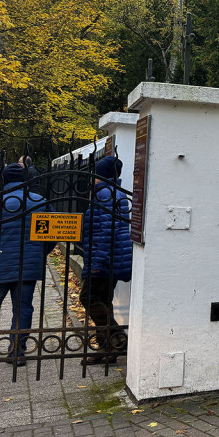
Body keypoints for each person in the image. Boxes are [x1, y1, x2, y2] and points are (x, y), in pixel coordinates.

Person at [0, 163, 55, 365]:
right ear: (26, 179)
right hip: (28, 265)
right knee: (23, 308)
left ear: (4, 179)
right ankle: (17, 351)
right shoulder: (39, 202)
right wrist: (38, 253)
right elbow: (52, 235)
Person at [79, 156, 132, 364]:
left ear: (101, 175)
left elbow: (106, 232)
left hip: (105, 259)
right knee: (103, 300)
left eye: (96, 174)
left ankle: (118, 340)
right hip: (112, 258)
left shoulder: (106, 194)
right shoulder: (114, 193)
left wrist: (97, 262)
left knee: (89, 298)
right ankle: (106, 348)